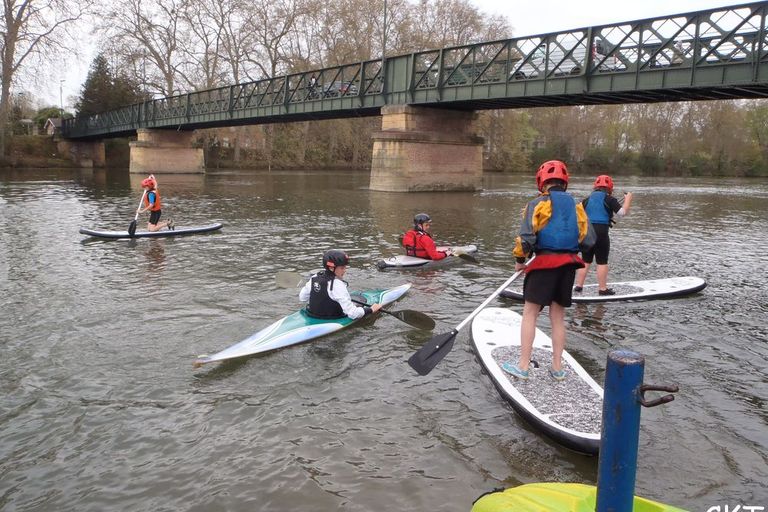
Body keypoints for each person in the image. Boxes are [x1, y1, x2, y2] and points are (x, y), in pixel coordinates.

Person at [503, 160, 595, 381]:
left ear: (541, 182)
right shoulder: (577, 207)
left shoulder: (536, 205)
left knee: (530, 314)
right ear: (564, 182)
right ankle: (557, 368)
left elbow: (525, 238)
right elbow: (589, 240)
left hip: (544, 264)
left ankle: (523, 367)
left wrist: (519, 260)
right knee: (557, 317)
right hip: (568, 267)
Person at [574, 175, 633, 296]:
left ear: (595, 187)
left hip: (587, 232)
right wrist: (628, 199)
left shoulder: (586, 199)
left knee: (585, 260)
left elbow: (579, 215)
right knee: (602, 261)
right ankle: (602, 289)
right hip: (601, 232)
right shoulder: (609, 199)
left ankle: (579, 286)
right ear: (610, 187)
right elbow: (622, 213)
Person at [299, 250, 382, 319]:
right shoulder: (338, 285)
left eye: (345, 267)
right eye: (342, 268)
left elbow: (302, 298)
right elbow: (353, 314)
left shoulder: (315, 277)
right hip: (332, 318)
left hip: (312, 315)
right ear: (331, 268)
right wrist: (371, 309)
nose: (345, 270)